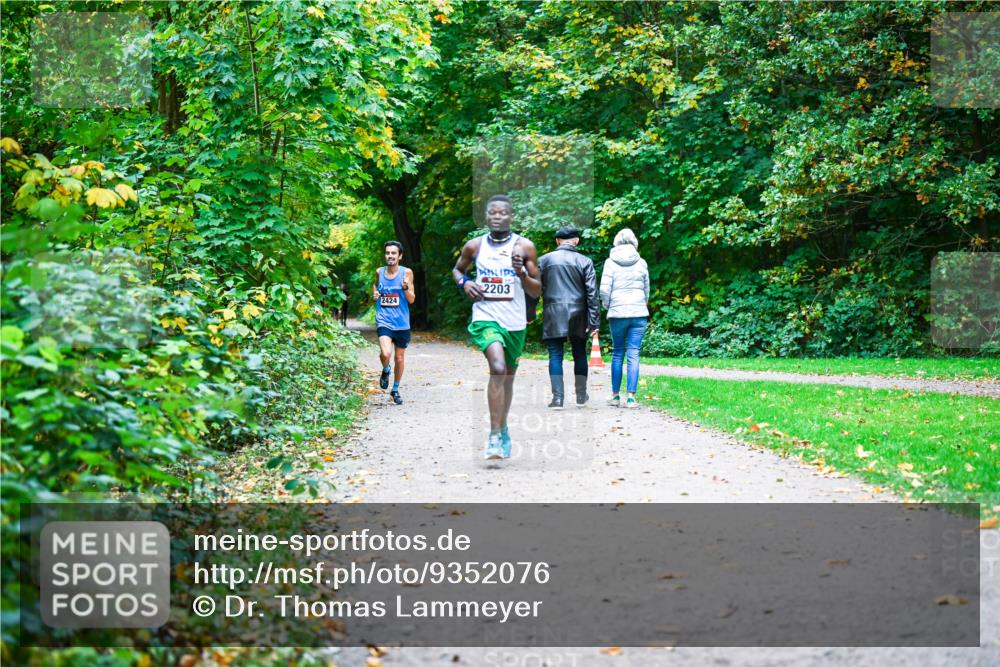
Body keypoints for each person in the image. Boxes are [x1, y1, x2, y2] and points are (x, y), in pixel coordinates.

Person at [452, 194, 541, 460]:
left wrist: (521, 274)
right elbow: (457, 270)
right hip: (486, 316)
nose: (497, 216)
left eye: (503, 212)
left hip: (514, 322)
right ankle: (492, 437)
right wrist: (464, 283)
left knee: (508, 376)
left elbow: (537, 290)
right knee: (498, 368)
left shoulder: (524, 247)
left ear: (511, 216)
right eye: (493, 212)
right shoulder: (474, 246)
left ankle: (502, 428)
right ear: (486, 216)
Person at [538, 226, 599, 409]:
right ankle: (581, 396)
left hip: (553, 312)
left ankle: (558, 399)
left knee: (555, 355)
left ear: (557, 241)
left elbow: (534, 289)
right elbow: (592, 293)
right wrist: (594, 320)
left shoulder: (544, 260)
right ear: (576, 240)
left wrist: (530, 312)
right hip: (578, 313)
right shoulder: (585, 261)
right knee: (579, 354)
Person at [599, 228, 650, 408]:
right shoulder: (641, 262)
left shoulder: (610, 263)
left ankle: (615, 396)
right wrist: (642, 304)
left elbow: (604, 290)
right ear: (634, 241)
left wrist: (608, 305)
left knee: (618, 353)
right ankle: (631, 397)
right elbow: (646, 289)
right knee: (633, 353)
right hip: (638, 313)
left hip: (618, 313)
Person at [373, 241, 415, 405]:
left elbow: (411, 299)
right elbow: (376, 285)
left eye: (393, 253)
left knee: (399, 358)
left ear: (400, 256)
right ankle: (386, 369)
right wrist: (375, 294)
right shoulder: (379, 272)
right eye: (387, 253)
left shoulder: (407, 273)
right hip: (384, 320)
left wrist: (405, 288)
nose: (390, 256)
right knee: (386, 353)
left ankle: (395, 389)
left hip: (402, 323)